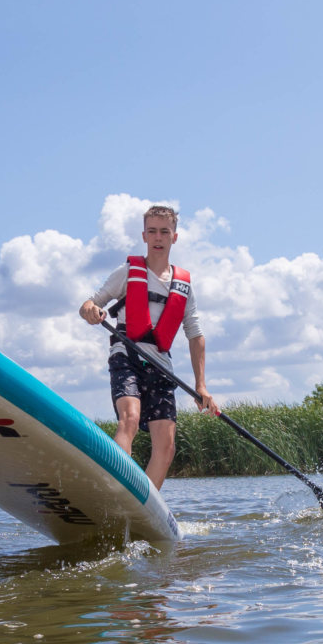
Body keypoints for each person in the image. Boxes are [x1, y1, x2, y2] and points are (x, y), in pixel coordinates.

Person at [78, 205, 218, 487]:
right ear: (144, 235)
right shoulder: (128, 272)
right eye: (152, 231)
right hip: (126, 355)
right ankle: (115, 488)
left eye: (164, 232)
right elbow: (89, 303)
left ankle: (142, 506)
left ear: (174, 237)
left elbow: (195, 335)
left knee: (166, 448)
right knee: (129, 418)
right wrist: (91, 311)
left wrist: (200, 386)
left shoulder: (184, 286)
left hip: (161, 366)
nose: (158, 237)